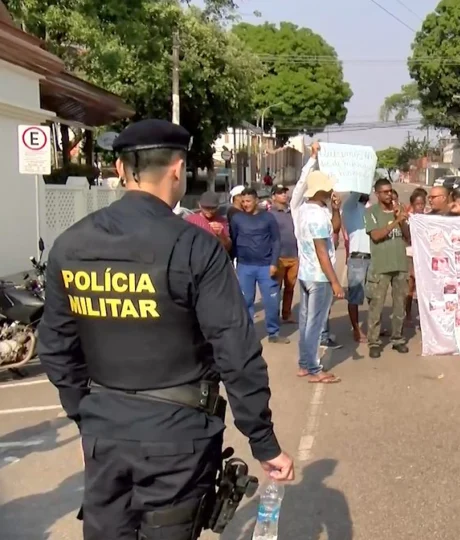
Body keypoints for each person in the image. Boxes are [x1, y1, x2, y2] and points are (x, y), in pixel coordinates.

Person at [37, 119, 294, 540]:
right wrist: (263, 441)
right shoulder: (194, 246)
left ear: (120, 169)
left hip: (105, 432)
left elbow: (55, 347)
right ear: (177, 169)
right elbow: (236, 352)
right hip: (178, 439)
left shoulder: (71, 244)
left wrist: (87, 415)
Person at [291, 164, 343, 384]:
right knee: (315, 324)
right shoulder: (317, 217)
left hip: (306, 274)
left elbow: (334, 228)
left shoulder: (306, 210)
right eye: (328, 188)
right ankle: (314, 369)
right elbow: (322, 252)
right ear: (321, 190)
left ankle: (304, 364)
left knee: (306, 322)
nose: (331, 191)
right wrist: (335, 282)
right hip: (319, 277)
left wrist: (336, 209)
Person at [230, 187, 286, 344]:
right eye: (243, 201)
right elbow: (233, 239)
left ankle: (274, 333)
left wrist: (274, 263)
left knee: (271, 301)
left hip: (266, 266)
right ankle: (248, 335)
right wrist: (233, 263)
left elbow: (276, 240)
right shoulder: (237, 218)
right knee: (245, 301)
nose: (245, 204)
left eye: (248, 201)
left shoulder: (268, 217)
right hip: (244, 266)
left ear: (256, 201)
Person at [364, 179, 411, 358]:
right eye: (385, 192)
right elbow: (376, 235)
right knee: (376, 306)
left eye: (390, 191)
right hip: (381, 266)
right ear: (377, 194)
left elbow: (407, 236)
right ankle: (374, 342)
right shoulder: (371, 212)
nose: (389, 194)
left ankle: (398, 338)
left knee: (399, 305)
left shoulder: (399, 210)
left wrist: (402, 220)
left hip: (400, 264)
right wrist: (395, 220)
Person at [343, 192, 372, 342]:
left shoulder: (369, 209)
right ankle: (356, 330)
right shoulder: (350, 207)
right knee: (354, 297)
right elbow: (355, 193)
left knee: (375, 296)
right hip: (357, 258)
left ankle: (374, 328)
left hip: (373, 257)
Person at [269, 184, 299, 324]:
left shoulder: (293, 211)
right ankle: (273, 316)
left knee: (290, 287)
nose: (284, 195)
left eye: (285, 192)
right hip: (279, 257)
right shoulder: (270, 214)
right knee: (276, 288)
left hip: (294, 255)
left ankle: (286, 314)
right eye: (280, 193)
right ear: (273, 196)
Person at [405, 189, 427, 327]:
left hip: (423, 255)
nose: (420, 207)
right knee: (410, 286)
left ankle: (423, 315)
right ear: (412, 204)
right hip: (410, 254)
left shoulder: (427, 218)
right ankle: (407, 313)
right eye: (417, 204)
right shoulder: (408, 218)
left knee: (423, 287)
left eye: (422, 204)